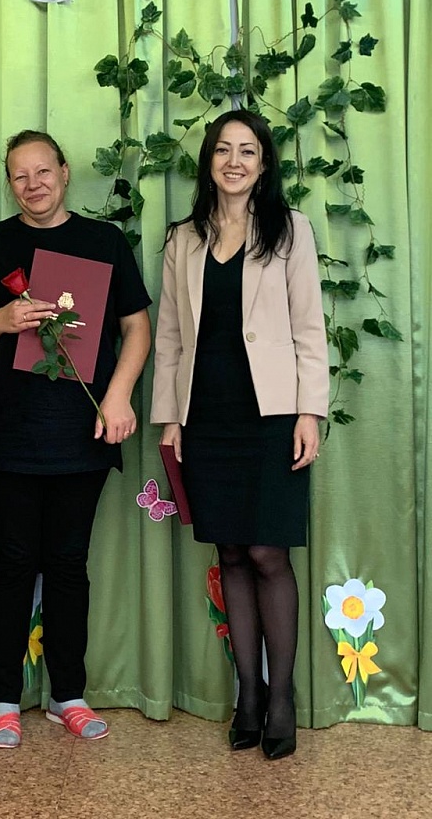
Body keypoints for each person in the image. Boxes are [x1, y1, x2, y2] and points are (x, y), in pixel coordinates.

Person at [0, 129, 151, 748]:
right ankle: (4, 701)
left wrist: (118, 396)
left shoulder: (104, 241)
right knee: (11, 563)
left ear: (64, 173)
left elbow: (137, 328)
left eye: (43, 171)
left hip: (82, 429)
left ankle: (69, 695)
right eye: (20, 175)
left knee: (68, 564)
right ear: (9, 183)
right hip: (6, 430)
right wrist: (0, 319)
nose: (33, 184)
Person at [150, 109, 328, 761]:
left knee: (266, 554)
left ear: (264, 162)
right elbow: (170, 336)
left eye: (247, 151)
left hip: (273, 416)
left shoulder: (290, 229)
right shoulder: (182, 239)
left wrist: (310, 412)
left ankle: (282, 699)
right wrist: (170, 419)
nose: (234, 161)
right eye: (223, 150)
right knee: (229, 553)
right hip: (206, 418)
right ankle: (247, 694)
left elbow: (309, 327)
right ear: (208, 161)